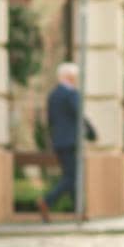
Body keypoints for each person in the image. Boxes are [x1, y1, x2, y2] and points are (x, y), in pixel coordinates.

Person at [37, 62, 96, 221]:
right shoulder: (71, 94)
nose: (77, 80)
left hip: (59, 141)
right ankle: (47, 201)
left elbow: (50, 121)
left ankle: (80, 211)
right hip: (71, 142)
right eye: (75, 77)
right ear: (70, 77)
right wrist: (91, 132)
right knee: (72, 177)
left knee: (72, 176)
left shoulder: (53, 95)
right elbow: (79, 115)